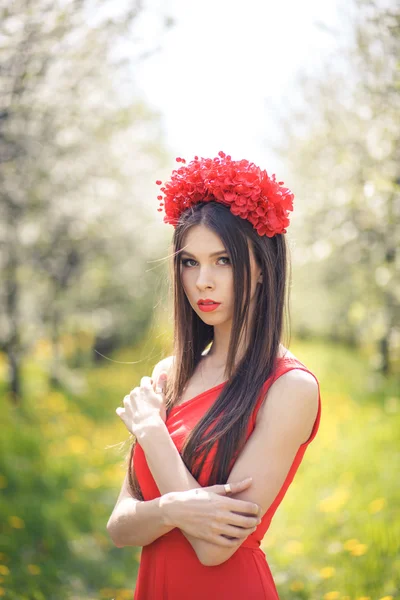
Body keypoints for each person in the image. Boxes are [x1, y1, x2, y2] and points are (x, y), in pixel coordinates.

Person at [107, 151, 322, 599]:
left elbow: (214, 548)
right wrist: (175, 508)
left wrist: (152, 431)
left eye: (223, 260)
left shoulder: (289, 388)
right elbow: (120, 528)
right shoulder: (169, 375)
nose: (203, 281)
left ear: (262, 267)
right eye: (190, 262)